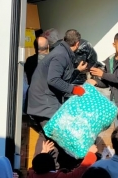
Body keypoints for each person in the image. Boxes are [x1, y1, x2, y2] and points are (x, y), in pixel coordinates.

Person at [27, 29, 89, 170]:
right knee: (58, 137)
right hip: (44, 102)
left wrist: (77, 71)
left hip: (41, 102)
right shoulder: (61, 55)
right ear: (77, 43)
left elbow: (62, 78)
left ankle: (37, 171)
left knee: (46, 136)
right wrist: (74, 89)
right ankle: (50, 172)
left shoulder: (62, 52)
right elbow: (54, 79)